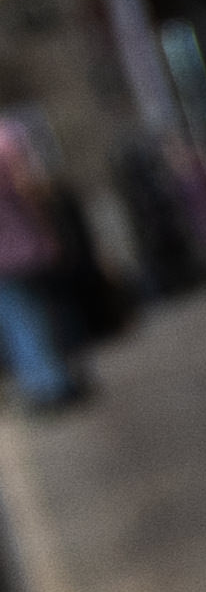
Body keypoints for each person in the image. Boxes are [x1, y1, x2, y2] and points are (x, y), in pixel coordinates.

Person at [0, 120, 93, 409]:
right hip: (24, 247)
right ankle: (56, 381)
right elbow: (27, 189)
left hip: (12, 252)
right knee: (41, 315)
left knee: (18, 321)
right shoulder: (6, 138)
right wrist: (47, 231)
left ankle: (44, 384)